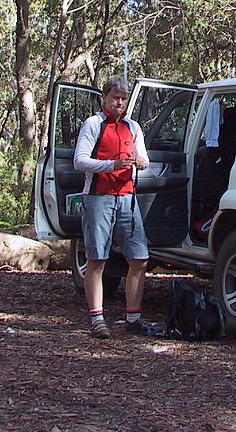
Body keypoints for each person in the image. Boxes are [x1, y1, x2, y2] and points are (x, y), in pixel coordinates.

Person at [73, 76, 151, 339]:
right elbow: (79, 161)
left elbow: (144, 158)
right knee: (97, 258)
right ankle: (97, 319)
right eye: (115, 97)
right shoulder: (94, 124)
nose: (119, 102)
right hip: (98, 197)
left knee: (139, 258)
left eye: (124, 98)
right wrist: (111, 165)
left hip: (127, 198)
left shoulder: (133, 127)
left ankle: (133, 317)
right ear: (104, 98)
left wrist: (140, 160)